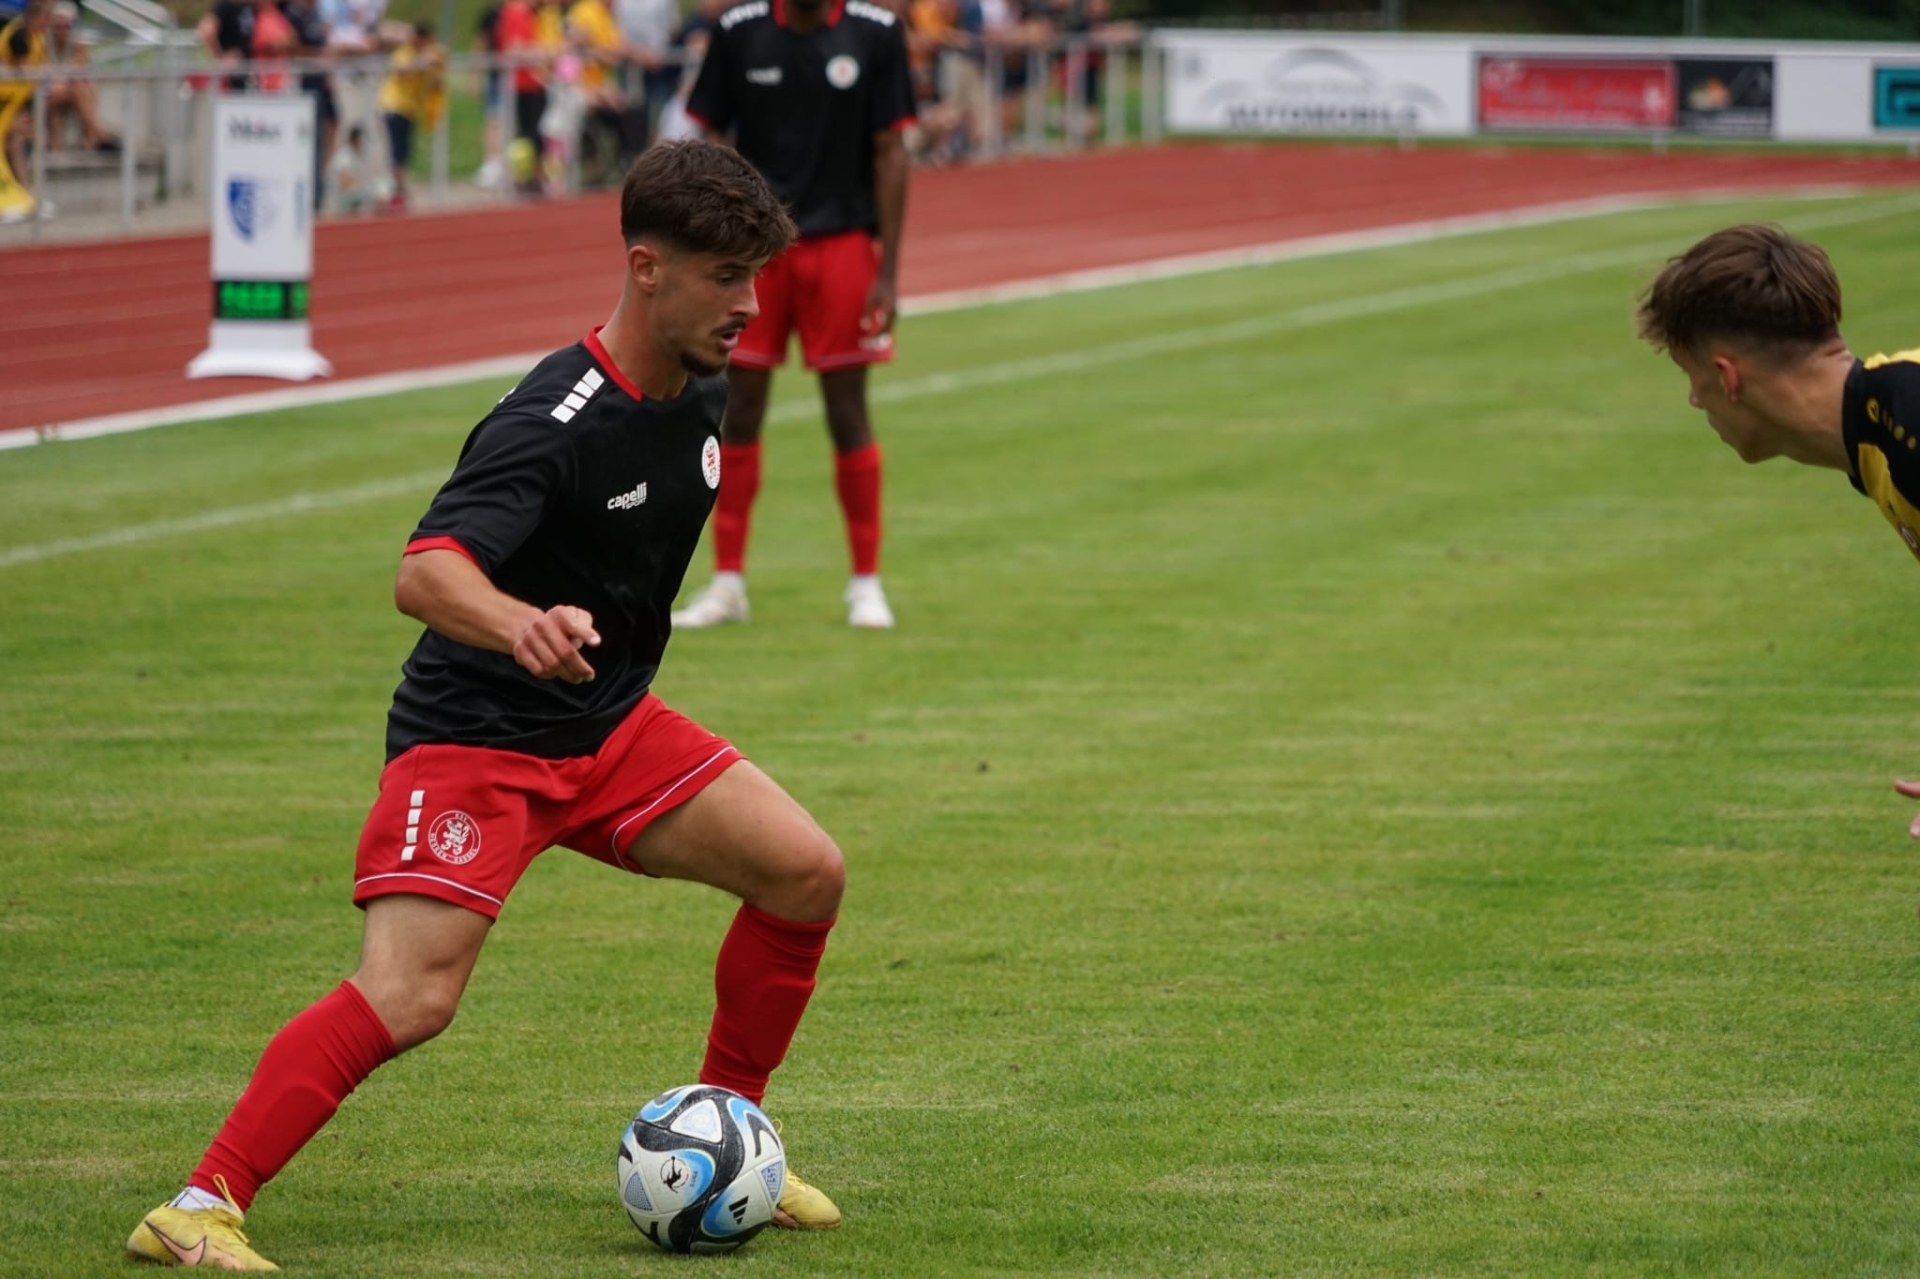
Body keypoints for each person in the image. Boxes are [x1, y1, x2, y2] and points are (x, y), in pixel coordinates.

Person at [125, 139, 846, 1273]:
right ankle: (197, 1205)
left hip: (607, 727)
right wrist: (518, 624)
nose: (749, 306)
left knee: (805, 871)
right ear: (647, 268)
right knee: (411, 995)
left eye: (753, 277)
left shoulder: (702, 392)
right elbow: (425, 570)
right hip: (479, 740)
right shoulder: (553, 419)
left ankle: (728, 1136)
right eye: (724, 278)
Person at [1638, 221, 1920, 834]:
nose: (1694, 400)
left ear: (1727, 376)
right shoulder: (1882, 438)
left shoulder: (1908, 420)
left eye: (1690, 375)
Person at [672, 0, 916, 631]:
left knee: (847, 409)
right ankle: (727, 582)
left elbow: (891, 149)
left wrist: (888, 271)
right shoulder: (738, 31)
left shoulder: (876, 33)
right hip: (758, 251)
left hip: (843, 244)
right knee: (738, 408)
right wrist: (715, 247)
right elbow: (708, 138)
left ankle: (866, 582)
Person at [376, 20, 445, 212]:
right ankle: (397, 192)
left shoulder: (426, 57)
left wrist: (438, 66)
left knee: (405, 153)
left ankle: (399, 191)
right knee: (397, 152)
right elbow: (402, 71)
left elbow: (436, 84)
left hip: (410, 109)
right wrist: (423, 61)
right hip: (394, 106)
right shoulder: (404, 53)